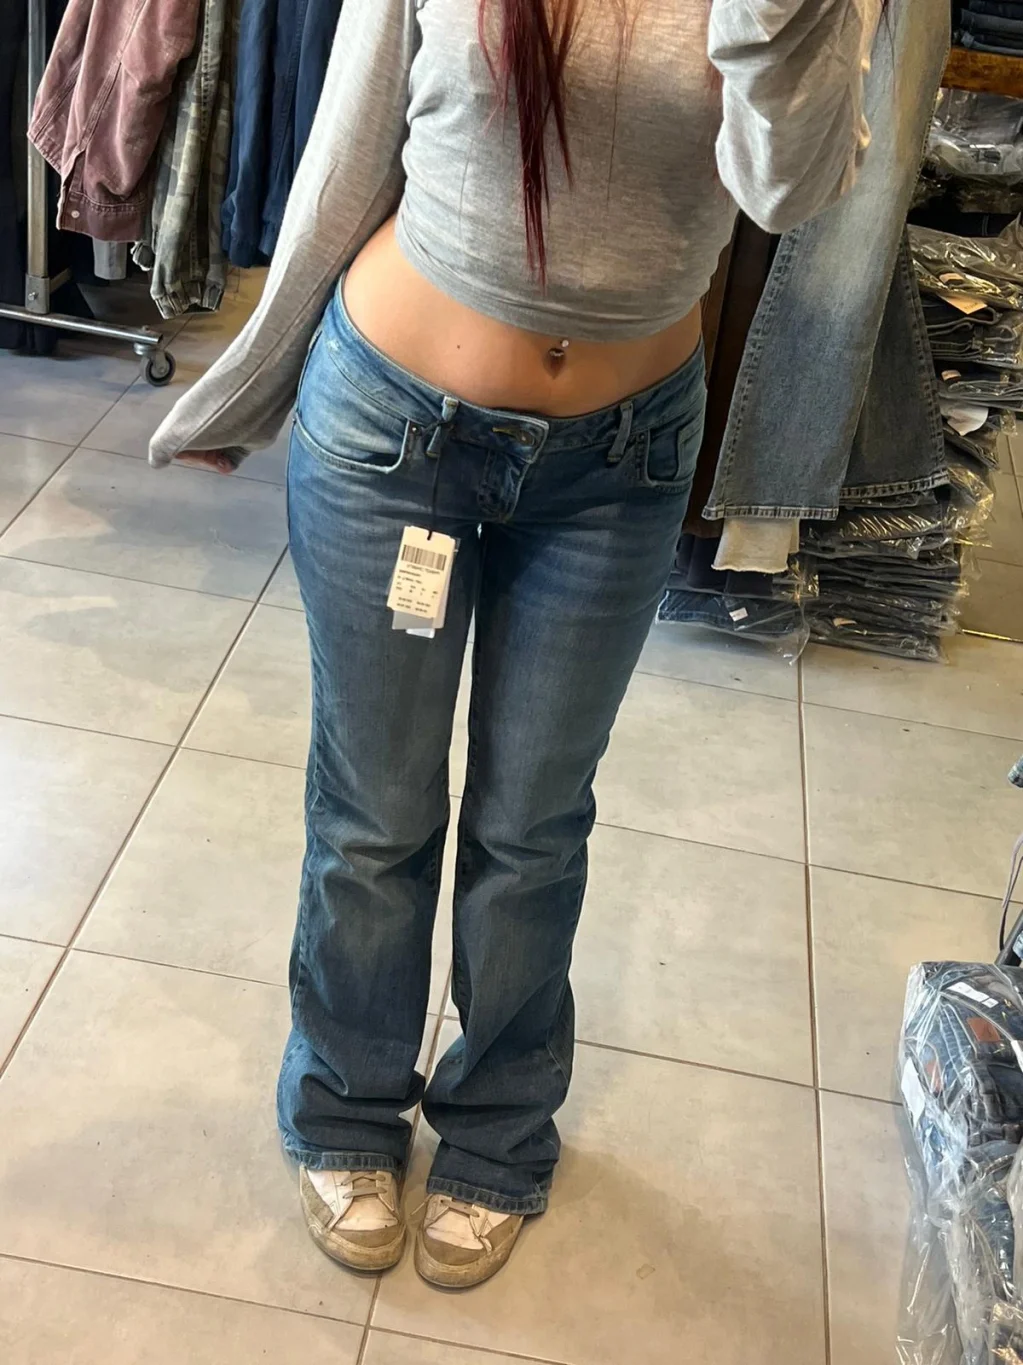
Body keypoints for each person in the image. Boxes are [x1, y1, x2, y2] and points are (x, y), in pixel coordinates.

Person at [153, 0, 881, 1289]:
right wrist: (254, 380)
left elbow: (791, 191)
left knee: (535, 827)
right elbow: (351, 147)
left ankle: (496, 1130)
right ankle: (345, 1105)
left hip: (621, 463)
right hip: (392, 431)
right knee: (375, 813)